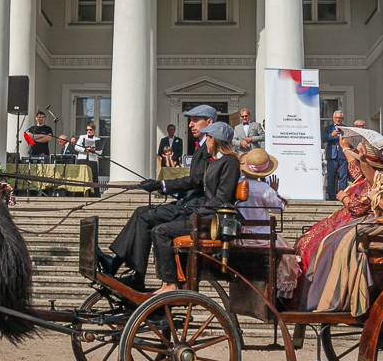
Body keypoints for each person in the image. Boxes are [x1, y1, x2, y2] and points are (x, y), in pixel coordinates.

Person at [301, 140, 383, 316]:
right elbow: (373, 179)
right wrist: (362, 159)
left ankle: (343, 297)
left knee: (351, 238)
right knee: (331, 238)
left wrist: (378, 200)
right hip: (380, 223)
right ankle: (322, 295)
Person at [101, 104, 219, 288]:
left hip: (196, 208)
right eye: (190, 121)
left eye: (196, 120)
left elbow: (196, 181)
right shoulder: (201, 148)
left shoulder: (210, 150)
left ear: (210, 122)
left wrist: (161, 184)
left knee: (143, 215)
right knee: (142, 213)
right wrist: (166, 188)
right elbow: (194, 183)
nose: (190, 125)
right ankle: (124, 269)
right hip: (189, 202)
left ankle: (127, 272)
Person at [149, 121, 241, 295]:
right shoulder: (213, 162)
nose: (205, 141)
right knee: (157, 228)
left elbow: (221, 199)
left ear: (213, 140)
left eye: (207, 138)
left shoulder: (230, 163)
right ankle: (167, 282)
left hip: (213, 220)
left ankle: (170, 283)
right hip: (203, 213)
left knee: (160, 231)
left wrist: (195, 210)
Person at [295, 137, 376, 295]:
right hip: (343, 219)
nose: (358, 165)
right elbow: (355, 169)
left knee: (316, 245)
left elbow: (358, 208)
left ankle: (317, 292)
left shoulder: (373, 182)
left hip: (353, 220)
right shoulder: (364, 178)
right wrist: (345, 148)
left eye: (362, 162)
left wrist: (344, 198)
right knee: (306, 241)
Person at [236, 148, 299, 300]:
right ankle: (280, 296)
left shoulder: (237, 183)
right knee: (289, 256)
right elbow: (278, 209)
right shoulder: (263, 188)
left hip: (241, 234)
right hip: (261, 235)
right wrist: (275, 191)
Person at [322, 110, 348, 198]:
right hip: (332, 156)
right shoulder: (328, 128)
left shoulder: (346, 128)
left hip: (343, 155)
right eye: (336, 118)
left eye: (340, 118)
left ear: (343, 119)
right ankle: (332, 197)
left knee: (343, 177)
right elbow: (323, 139)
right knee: (331, 177)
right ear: (333, 118)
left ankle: (342, 196)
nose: (338, 119)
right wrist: (331, 135)